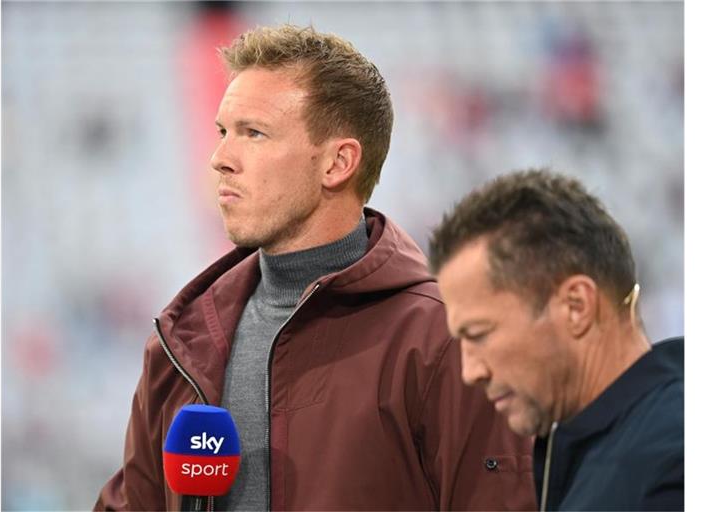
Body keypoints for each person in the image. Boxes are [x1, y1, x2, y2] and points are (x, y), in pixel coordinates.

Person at [95, 24, 536, 511]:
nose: (220, 158)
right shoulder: (181, 342)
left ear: (337, 163)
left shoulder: (443, 339)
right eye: (223, 132)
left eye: (254, 133)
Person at [429, 169, 684, 511]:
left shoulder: (671, 462)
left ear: (576, 306)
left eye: (479, 334)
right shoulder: (598, 449)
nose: (470, 372)